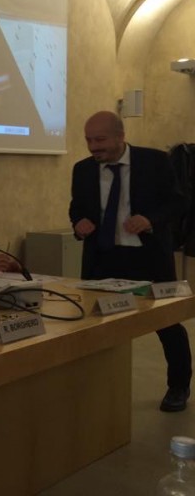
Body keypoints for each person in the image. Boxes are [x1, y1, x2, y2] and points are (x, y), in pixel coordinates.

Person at [70, 110, 192, 412]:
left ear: (120, 136)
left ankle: (178, 386)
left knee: (166, 323)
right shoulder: (82, 169)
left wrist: (150, 219)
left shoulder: (154, 161)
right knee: (95, 324)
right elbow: (77, 207)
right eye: (88, 140)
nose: (93, 147)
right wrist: (78, 222)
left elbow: (177, 202)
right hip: (103, 258)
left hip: (148, 258)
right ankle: (95, 387)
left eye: (100, 140)